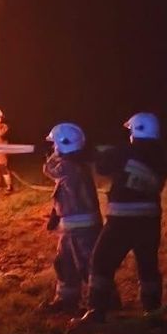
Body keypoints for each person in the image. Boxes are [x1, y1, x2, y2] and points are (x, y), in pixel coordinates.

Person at [78, 112, 167, 324]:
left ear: (136, 131)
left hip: (122, 220)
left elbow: (102, 167)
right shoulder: (160, 156)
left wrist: (101, 153)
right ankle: (153, 313)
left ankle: (96, 312)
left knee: (101, 261)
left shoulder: (126, 151)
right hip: (150, 220)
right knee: (148, 266)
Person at [41, 122, 101, 314]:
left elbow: (49, 169)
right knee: (65, 264)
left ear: (61, 145)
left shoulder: (68, 167)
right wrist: (55, 215)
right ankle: (66, 300)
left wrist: (53, 155)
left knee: (89, 267)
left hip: (81, 229)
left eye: (54, 144)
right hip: (72, 227)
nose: (52, 147)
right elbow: (63, 194)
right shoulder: (76, 165)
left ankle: (102, 304)